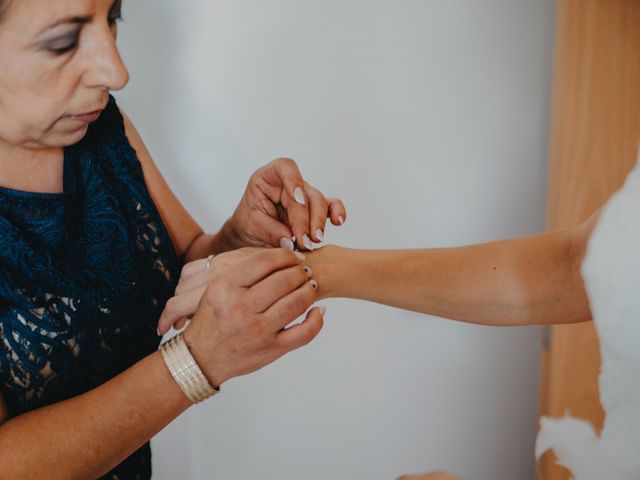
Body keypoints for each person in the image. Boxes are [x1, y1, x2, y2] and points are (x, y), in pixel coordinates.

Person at [0, 0, 346, 478]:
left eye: (112, 18)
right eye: (63, 41)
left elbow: (180, 267)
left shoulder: (97, 128)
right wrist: (195, 363)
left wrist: (239, 234)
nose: (116, 72)